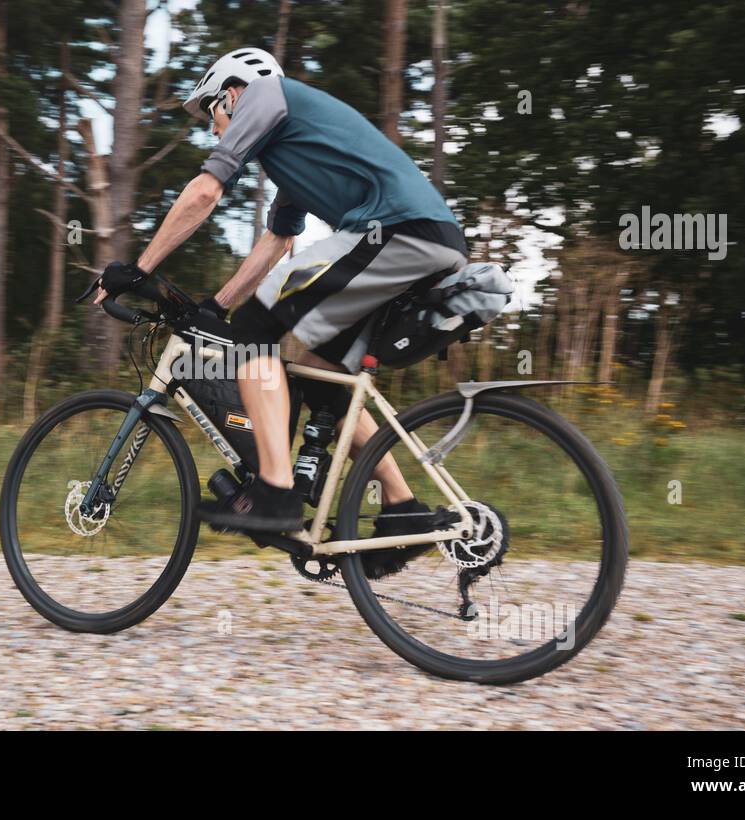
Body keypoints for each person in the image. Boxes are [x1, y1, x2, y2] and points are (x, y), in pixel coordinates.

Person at [91, 47, 468, 577]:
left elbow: (204, 193)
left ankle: (275, 492)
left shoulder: (268, 97)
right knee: (324, 377)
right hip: (421, 239)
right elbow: (277, 243)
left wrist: (139, 268)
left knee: (254, 337)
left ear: (233, 92)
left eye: (212, 113)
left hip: (396, 232)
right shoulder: (293, 150)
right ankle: (403, 510)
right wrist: (216, 305)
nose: (214, 128)